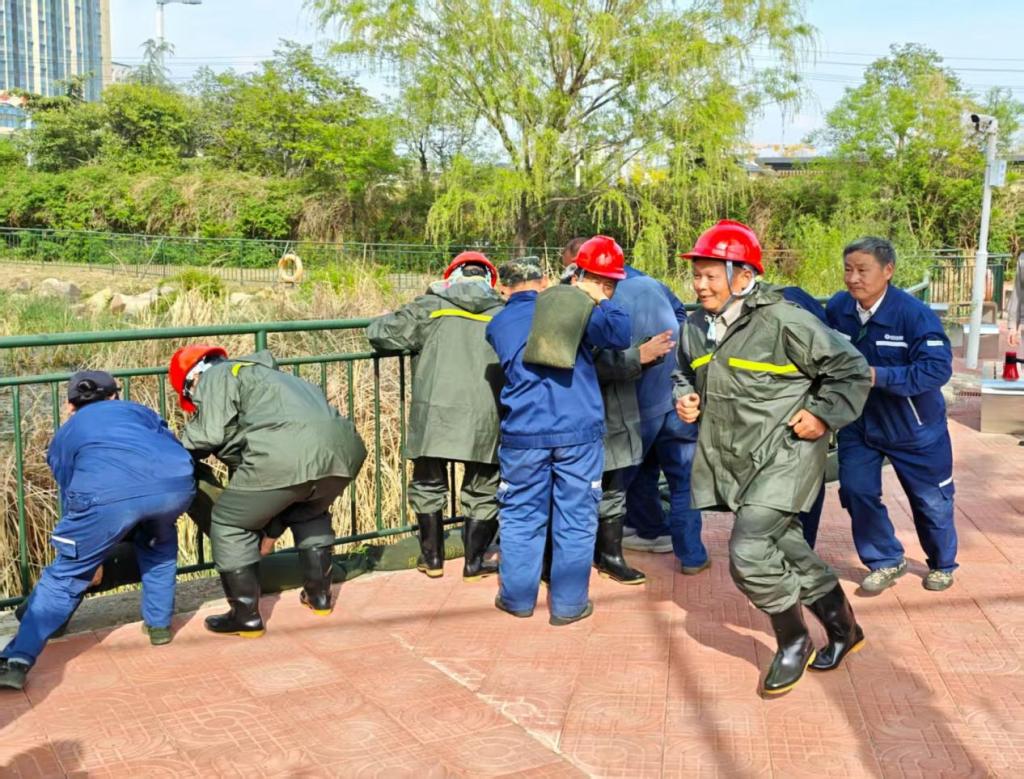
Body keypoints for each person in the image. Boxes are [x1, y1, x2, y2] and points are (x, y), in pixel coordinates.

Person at [673, 220, 872, 695]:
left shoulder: (784, 320)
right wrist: (685, 398)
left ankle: (793, 640)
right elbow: (682, 373)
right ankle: (845, 629)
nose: (700, 285)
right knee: (788, 546)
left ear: (743, 276)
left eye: (710, 275)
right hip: (735, 459)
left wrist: (822, 415)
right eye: (696, 275)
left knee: (748, 552)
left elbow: (851, 370)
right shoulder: (695, 326)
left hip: (787, 455)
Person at [0, 371, 196, 691]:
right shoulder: (140, 411)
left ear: (70, 405)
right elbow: (167, 443)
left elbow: (68, 483)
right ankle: (159, 627)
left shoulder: (68, 431)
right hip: (175, 487)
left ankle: (16, 660)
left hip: (106, 499)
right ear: (115, 395)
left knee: (66, 576)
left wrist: (84, 545)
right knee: (158, 546)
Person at [170, 346, 366, 637]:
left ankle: (245, 617)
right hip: (346, 453)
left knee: (228, 522)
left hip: (287, 456)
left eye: (190, 397)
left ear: (193, 379)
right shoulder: (278, 377)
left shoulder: (215, 376)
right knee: (308, 512)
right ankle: (319, 598)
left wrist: (170, 450)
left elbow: (207, 434)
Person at [487, 246, 630, 625]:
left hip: (523, 431)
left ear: (504, 288)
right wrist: (599, 298)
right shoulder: (573, 307)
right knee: (577, 517)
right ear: (545, 281)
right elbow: (620, 334)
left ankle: (517, 599)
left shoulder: (498, 324)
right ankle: (569, 606)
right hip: (577, 430)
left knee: (520, 516)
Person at [827, 237, 958, 593]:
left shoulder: (914, 315)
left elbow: (936, 370)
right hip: (860, 424)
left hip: (914, 428)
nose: (853, 278)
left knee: (931, 502)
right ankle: (885, 559)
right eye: (848, 269)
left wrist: (877, 376)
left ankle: (942, 563)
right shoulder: (839, 307)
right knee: (856, 491)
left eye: (862, 270)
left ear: (888, 270)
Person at [367, 251, 505, 581]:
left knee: (428, 483)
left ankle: (432, 560)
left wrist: (389, 317)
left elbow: (379, 333)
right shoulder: (503, 311)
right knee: (483, 487)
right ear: (489, 279)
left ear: (451, 276)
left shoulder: (432, 305)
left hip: (434, 412)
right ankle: (474, 564)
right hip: (486, 413)